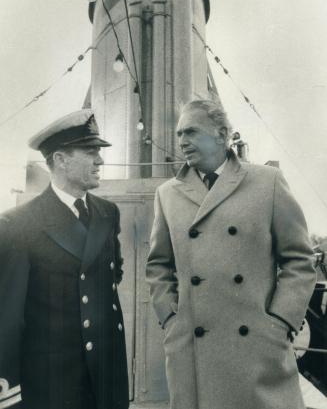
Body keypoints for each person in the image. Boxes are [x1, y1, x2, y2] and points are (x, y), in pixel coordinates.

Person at [146, 99, 316, 409]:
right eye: (180, 133)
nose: (182, 141)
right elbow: (158, 265)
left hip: (256, 349)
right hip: (191, 351)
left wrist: (280, 322)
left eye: (192, 132)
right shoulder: (167, 194)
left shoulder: (267, 183)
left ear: (222, 134)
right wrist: (171, 317)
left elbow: (300, 260)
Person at [0, 110, 129, 409]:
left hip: (106, 375)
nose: (100, 161)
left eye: (99, 152)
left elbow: (111, 276)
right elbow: (7, 316)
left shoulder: (108, 213)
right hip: (52, 383)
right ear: (60, 160)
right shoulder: (18, 224)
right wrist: (8, 389)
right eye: (90, 152)